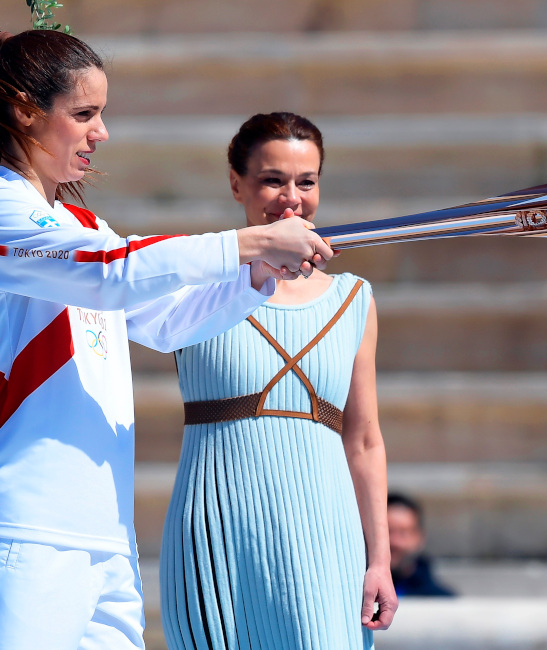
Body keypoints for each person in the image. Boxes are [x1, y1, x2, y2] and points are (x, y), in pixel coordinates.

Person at [0, 31, 333, 650]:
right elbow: (113, 270)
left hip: (107, 536)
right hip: (21, 531)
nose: (101, 133)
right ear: (23, 110)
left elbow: (170, 319)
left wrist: (254, 277)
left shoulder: (85, 225)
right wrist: (252, 242)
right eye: (84, 115)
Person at [160, 112, 396, 649]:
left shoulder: (354, 299)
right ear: (236, 183)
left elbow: (363, 440)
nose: (291, 198)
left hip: (325, 532)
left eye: (306, 182)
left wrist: (378, 559)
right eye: (272, 180)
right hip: (218, 527)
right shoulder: (197, 280)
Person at [387, 492, 455, 597]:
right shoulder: (357, 596)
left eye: (403, 533)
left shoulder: (442, 600)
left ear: (420, 537)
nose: (394, 541)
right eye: (387, 532)